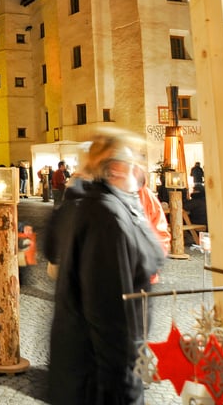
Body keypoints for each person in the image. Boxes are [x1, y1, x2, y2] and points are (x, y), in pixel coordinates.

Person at [48, 128, 165, 405]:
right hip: (101, 377)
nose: (139, 167)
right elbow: (108, 311)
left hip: (95, 368)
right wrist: (125, 383)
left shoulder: (110, 204)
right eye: (133, 161)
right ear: (116, 168)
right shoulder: (106, 216)